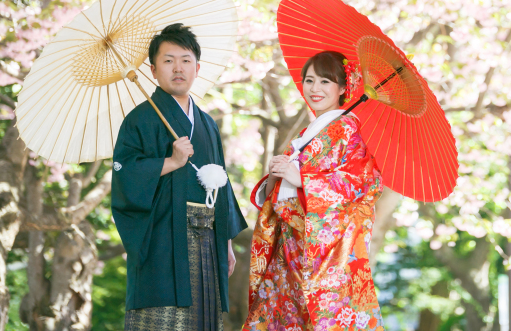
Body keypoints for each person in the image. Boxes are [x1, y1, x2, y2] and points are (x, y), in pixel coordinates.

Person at [111, 23, 247, 331]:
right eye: (168, 60)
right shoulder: (139, 120)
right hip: (162, 239)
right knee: (164, 316)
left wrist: (225, 241)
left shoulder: (207, 124)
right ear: (153, 69)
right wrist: (171, 162)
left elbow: (219, 184)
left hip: (208, 240)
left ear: (197, 68)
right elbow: (125, 176)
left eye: (185, 60)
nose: (178, 68)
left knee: (203, 318)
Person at [244, 51, 385, 330]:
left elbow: (361, 183)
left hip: (322, 251)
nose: (315, 89)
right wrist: (274, 177)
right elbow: (280, 192)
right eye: (309, 80)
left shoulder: (346, 129)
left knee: (318, 317)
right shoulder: (309, 133)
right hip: (291, 244)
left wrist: (301, 179)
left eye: (325, 81)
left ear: (343, 88)